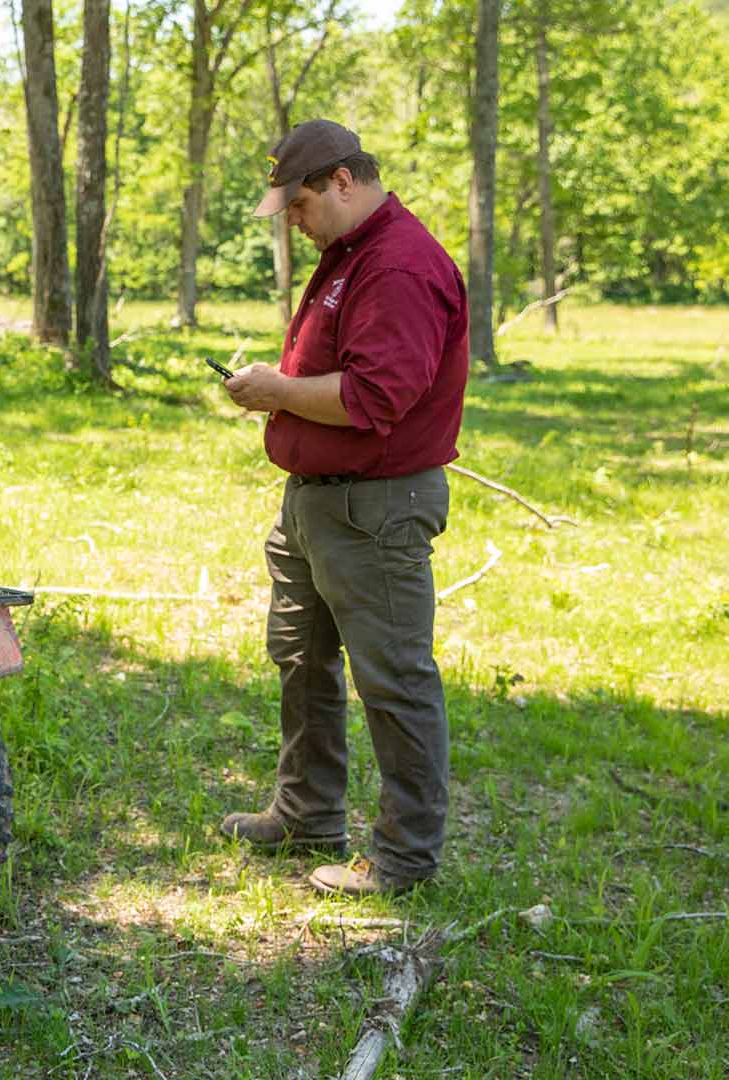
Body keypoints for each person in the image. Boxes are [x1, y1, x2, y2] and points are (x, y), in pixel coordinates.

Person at [217, 120, 468, 897]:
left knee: (393, 679)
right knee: (301, 658)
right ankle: (307, 811)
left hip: (377, 508)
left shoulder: (397, 264)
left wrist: (275, 392)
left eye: (298, 205)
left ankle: (403, 859)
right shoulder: (349, 254)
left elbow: (374, 396)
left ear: (342, 183)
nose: (293, 220)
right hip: (319, 504)